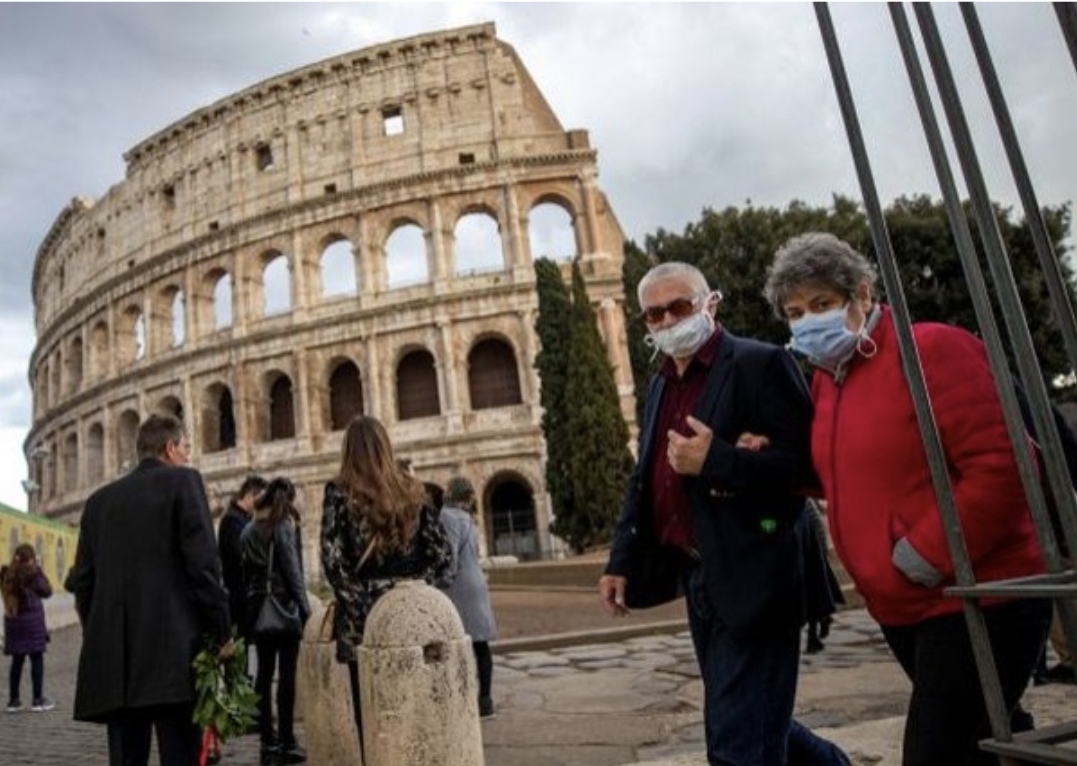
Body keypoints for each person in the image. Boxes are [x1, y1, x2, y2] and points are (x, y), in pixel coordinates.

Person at [762, 232, 1052, 766]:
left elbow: (1005, 466)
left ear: (863, 296)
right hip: (903, 606)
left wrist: (923, 554)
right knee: (994, 735)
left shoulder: (931, 351)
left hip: (976, 596)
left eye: (822, 304)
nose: (808, 322)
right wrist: (758, 456)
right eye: (796, 312)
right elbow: (845, 475)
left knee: (938, 751)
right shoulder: (829, 381)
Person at [599, 261, 850, 766]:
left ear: (710, 304)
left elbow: (812, 468)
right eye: (654, 314)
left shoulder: (761, 364)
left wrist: (720, 460)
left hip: (760, 568)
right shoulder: (660, 385)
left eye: (679, 307)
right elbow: (646, 478)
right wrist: (622, 558)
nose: (668, 321)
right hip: (699, 572)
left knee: (737, 742)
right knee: (745, 714)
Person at [66, 413, 233, 766]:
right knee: (182, 755)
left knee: (126, 759)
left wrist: (100, 633)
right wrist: (221, 633)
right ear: (170, 448)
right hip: (173, 651)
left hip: (116, 660)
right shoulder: (183, 483)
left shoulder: (98, 503)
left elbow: (83, 582)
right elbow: (204, 568)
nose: (187, 456)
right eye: (185, 448)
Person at [320, 415, 451, 752]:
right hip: (412, 617)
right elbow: (443, 556)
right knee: (416, 708)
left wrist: (366, 607)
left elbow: (333, 561)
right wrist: (417, 595)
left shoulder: (339, 493)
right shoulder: (413, 489)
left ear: (349, 450)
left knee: (372, 715)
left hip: (361, 622)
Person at [241, 476, 310, 766]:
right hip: (282, 606)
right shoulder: (282, 527)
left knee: (263, 674)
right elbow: (293, 572)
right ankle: (286, 739)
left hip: (258, 607)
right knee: (287, 675)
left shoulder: (248, 530)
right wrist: (305, 608)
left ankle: (267, 740)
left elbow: (245, 573)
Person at [438, 476, 498, 719]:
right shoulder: (468, 518)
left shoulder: (447, 516)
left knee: (457, 644)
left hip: (459, 586)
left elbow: (450, 553)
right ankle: (486, 701)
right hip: (476, 583)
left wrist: (442, 581)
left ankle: (462, 701)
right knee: (481, 645)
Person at [2, 543, 54, 713]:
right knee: (36, 660)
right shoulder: (33, 574)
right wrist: (38, 571)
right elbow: (47, 591)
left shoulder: (8, 573)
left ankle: (13, 700)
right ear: (31, 559)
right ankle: (38, 699)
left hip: (14, 623)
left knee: (17, 662)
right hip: (32, 623)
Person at [219, 474, 267, 645]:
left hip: (245, 595)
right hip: (240, 596)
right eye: (260, 499)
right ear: (249, 496)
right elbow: (241, 556)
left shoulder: (241, 519)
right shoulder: (232, 521)